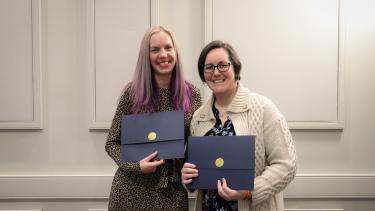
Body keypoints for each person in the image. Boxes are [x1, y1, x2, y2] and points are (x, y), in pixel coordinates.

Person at [181, 40, 297, 211]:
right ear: (203, 74)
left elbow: (287, 165)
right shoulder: (199, 117)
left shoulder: (263, 108)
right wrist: (187, 177)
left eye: (222, 65)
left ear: (235, 68)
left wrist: (249, 191)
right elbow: (195, 171)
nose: (216, 72)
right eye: (209, 67)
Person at [105, 26, 201, 211]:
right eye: (155, 49)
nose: (163, 54)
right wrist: (136, 166)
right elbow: (112, 143)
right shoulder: (132, 93)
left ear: (175, 52)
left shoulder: (192, 94)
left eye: (168, 47)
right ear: (146, 56)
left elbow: (193, 145)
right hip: (131, 191)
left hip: (172, 192)